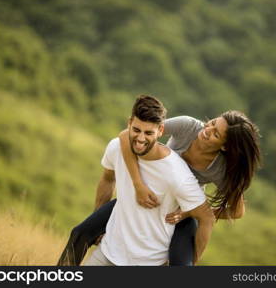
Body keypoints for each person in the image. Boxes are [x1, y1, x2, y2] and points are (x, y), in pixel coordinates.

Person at [58, 100, 261, 266]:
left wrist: (189, 212)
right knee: (80, 233)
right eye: (212, 123)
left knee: (181, 265)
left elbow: (236, 211)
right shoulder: (187, 126)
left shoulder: (220, 169)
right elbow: (126, 136)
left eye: (215, 133)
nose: (207, 129)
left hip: (180, 212)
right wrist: (138, 186)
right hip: (148, 192)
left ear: (225, 147)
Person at [80, 95, 214, 265]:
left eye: (148, 132)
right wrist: (99, 226)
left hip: (148, 263)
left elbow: (207, 218)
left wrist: (193, 260)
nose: (141, 138)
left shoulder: (177, 173)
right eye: (136, 130)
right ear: (129, 123)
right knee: (77, 236)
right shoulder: (117, 147)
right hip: (108, 253)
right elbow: (107, 179)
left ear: (161, 131)